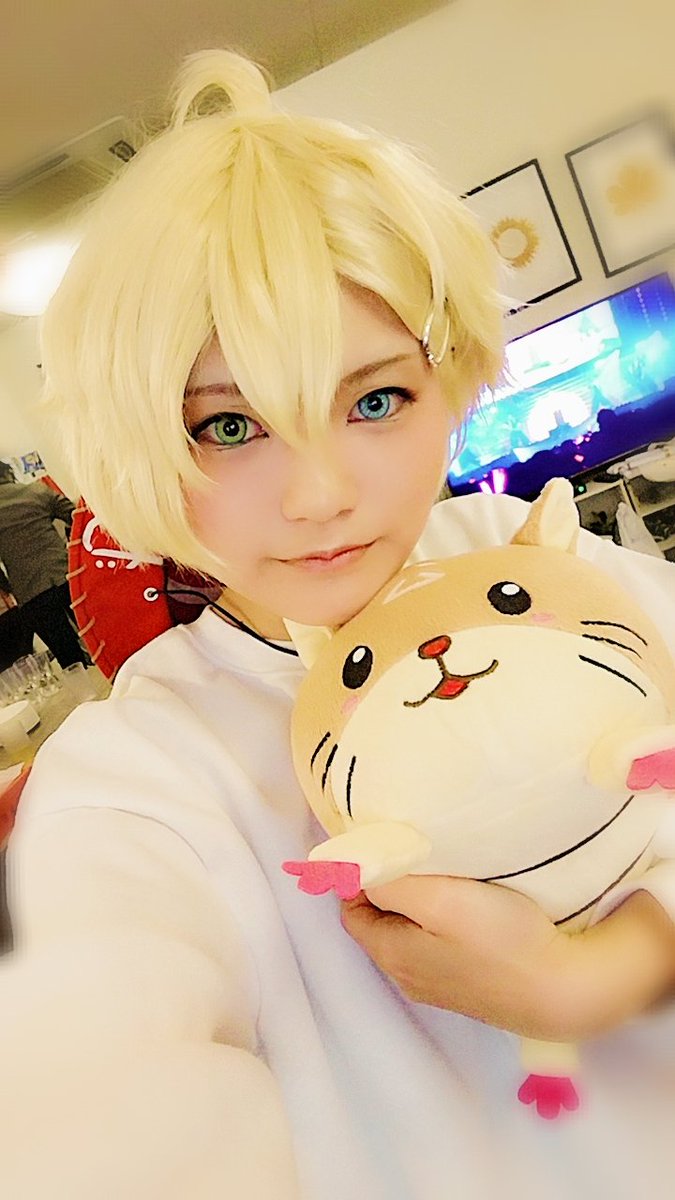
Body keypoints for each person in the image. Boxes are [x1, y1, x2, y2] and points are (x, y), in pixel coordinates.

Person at [3, 49, 675, 1199]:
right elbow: (103, 1086)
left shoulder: (536, 557)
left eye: (375, 400)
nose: (321, 495)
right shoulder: (143, 774)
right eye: (229, 426)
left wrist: (615, 969)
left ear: (448, 375)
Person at [0, 461, 88, 668]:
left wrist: (7, 586)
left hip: (30, 591)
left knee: (67, 655)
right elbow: (77, 517)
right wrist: (75, 549)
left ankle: (84, 683)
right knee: (98, 635)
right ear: (8, 473)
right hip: (66, 575)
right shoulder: (36, 491)